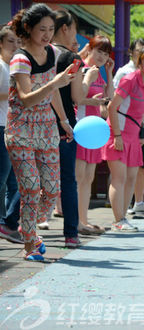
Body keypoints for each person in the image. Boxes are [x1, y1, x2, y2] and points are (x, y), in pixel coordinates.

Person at [7, 4, 76, 261]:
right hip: (21, 130)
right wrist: (53, 83)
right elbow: (26, 99)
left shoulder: (51, 52)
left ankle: (29, 228)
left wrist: (64, 121)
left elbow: (54, 92)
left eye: (50, 29)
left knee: (51, 189)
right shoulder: (20, 59)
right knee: (31, 189)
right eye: (42, 29)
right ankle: (30, 245)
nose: (47, 35)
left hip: (47, 129)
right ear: (28, 29)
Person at [51, 9, 100, 246]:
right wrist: (89, 78)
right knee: (68, 180)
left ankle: (22, 228)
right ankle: (71, 233)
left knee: (34, 179)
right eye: (75, 29)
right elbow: (78, 97)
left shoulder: (41, 54)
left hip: (38, 124)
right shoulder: (72, 59)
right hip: (65, 127)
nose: (76, 35)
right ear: (65, 29)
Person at [103, 45, 144, 232]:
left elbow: (142, 113)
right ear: (139, 62)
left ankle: (123, 217)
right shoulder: (129, 79)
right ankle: (118, 219)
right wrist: (117, 136)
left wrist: (140, 134)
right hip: (117, 131)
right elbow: (112, 107)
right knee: (119, 178)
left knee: (131, 177)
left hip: (134, 134)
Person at [75, 35, 114, 235]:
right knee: (77, 176)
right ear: (89, 49)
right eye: (99, 50)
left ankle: (83, 220)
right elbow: (77, 98)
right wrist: (94, 102)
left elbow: (111, 99)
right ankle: (74, 221)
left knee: (88, 178)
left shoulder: (99, 73)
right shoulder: (82, 68)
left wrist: (109, 72)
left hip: (94, 131)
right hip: (80, 127)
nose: (101, 56)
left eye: (105, 53)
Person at [0, 24, 22, 244]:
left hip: (12, 128)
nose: (15, 46)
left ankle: (8, 225)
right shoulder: (1, 66)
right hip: (1, 127)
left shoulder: (13, 67)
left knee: (14, 182)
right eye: (10, 42)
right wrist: (19, 93)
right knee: (3, 179)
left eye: (18, 42)